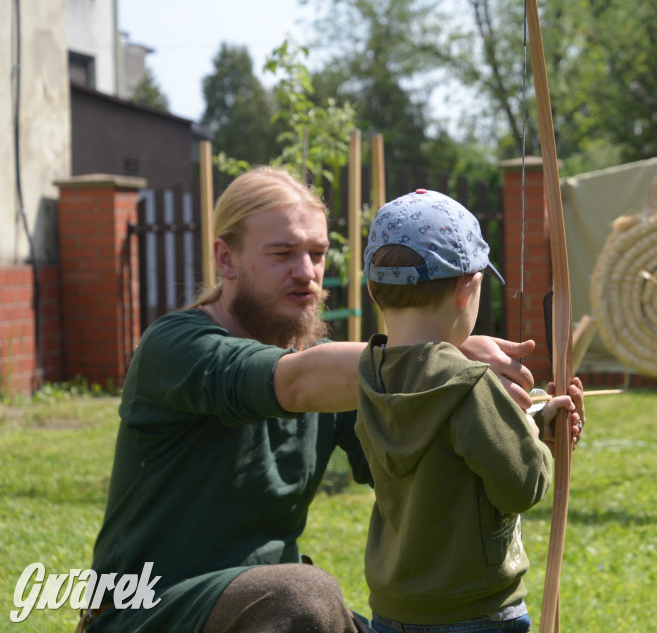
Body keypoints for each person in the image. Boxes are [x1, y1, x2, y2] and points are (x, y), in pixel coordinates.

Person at [80, 168, 543, 633]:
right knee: (303, 594)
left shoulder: (343, 376)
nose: (307, 273)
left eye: (317, 254)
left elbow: (426, 458)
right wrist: (446, 357)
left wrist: (522, 424)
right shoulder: (175, 346)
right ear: (226, 258)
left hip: (261, 611)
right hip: (144, 613)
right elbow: (294, 383)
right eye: (282, 254)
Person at [356, 189, 584, 633]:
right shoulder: (470, 383)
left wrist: (530, 423)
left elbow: (447, 450)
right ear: (468, 289)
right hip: (474, 612)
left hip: (393, 608)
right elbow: (522, 485)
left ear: (371, 287)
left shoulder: (370, 371)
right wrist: (533, 437)